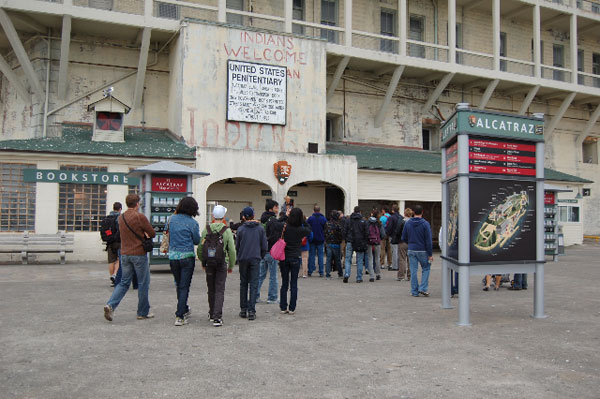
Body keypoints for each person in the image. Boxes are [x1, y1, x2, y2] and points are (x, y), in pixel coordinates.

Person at [104, 194, 156, 321]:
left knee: (123, 282)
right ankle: (142, 312)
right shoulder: (139, 217)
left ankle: (111, 305)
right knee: (143, 283)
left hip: (125, 253)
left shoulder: (121, 218)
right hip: (138, 253)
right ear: (137, 203)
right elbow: (152, 233)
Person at [198, 205, 236, 327]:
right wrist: (231, 265)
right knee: (220, 289)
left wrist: (202, 262)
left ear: (213, 216)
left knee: (211, 288)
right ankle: (217, 317)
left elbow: (200, 248)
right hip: (221, 263)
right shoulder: (227, 230)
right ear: (223, 216)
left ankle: (211, 312)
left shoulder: (206, 229)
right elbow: (232, 250)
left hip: (209, 263)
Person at [166, 197, 201, 326]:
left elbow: (166, 233)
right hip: (187, 257)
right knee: (184, 286)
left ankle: (184, 308)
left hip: (173, 256)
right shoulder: (193, 223)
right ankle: (180, 315)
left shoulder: (171, 219)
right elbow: (197, 240)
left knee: (179, 284)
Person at [272, 207, 311, 314]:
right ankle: (292, 307)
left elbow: (275, 223)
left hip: (284, 257)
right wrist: (302, 219)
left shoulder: (284, 227)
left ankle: (283, 307)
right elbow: (309, 228)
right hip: (295, 257)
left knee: (284, 283)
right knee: (294, 283)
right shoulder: (301, 230)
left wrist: (285, 215)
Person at [236, 207, 267, 321]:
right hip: (255, 257)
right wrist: (261, 255)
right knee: (254, 284)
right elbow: (264, 245)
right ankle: (251, 310)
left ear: (244, 216)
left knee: (243, 283)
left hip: (243, 258)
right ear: (253, 215)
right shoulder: (260, 229)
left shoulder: (241, 229)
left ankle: (243, 309)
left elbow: (237, 246)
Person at [401, 204, 433, 297]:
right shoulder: (425, 224)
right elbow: (428, 240)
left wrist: (410, 242)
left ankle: (414, 291)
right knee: (426, 268)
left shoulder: (408, 223)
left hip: (411, 249)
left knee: (413, 270)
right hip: (423, 250)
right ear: (422, 212)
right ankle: (423, 288)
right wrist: (430, 254)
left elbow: (403, 237)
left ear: (413, 213)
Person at [257, 199, 280, 304]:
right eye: (276, 207)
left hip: (263, 250)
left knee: (261, 274)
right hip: (272, 250)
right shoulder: (273, 220)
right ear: (272, 208)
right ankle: (272, 297)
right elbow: (274, 236)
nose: (278, 209)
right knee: (273, 276)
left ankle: (255, 295)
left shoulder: (263, 219)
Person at [343, 206, 368, 284]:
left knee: (348, 259)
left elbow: (344, 231)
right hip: (360, 242)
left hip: (350, 241)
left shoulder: (348, 220)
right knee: (359, 260)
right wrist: (365, 241)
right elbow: (366, 233)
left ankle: (347, 274)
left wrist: (346, 239)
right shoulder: (363, 221)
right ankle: (359, 277)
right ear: (360, 212)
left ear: (354, 211)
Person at [102, 202, 122, 287]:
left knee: (111, 261)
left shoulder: (107, 218)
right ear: (120, 209)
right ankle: (115, 275)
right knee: (118, 260)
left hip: (109, 242)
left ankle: (112, 278)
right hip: (118, 241)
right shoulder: (120, 218)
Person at [306, 205, 327, 277]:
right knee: (320, 256)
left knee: (312, 255)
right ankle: (321, 272)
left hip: (312, 239)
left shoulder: (310, 218)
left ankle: (310, 271)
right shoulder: (323, 219)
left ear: (313, 210)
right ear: (319, 210)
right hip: (321, 239)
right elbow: (326, 228)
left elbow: (306, 226)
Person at [366, 210, 385, 282]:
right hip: (377, 243)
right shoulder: (379, 223)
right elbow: (383, 234)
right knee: (377, 258)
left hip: (369, 242)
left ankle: (371, 276)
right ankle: (378, 274)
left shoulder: (368, 222)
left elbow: (366, 232)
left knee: (370, 258)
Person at [325, 210, 344, 278]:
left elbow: (325, 233)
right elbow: (341, 234)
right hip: (336, 243)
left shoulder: (327, 223)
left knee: (328, 259)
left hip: (329, 243)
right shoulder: (338, 224)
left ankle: (328, 274)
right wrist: (340, 240)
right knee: (338, 259)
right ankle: (340, 273)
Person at [396, 208, 413, 281]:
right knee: (410, 260)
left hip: (402, 241)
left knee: (402, 259)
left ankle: (401, 276)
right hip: (411, 242)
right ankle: (410, 276)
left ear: (405, 214)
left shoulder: (401, 222)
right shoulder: (413, 222)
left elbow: (397, 231)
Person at [385, 204, 401, 271]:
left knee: (394, 251)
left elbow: (389, 227)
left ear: (393, 210)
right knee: (399, 251)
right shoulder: (401, 217)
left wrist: (387, 233)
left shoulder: (391, 218)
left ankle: (395, 266)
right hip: (400, 236)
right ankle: (399, 265)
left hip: (393, 236)